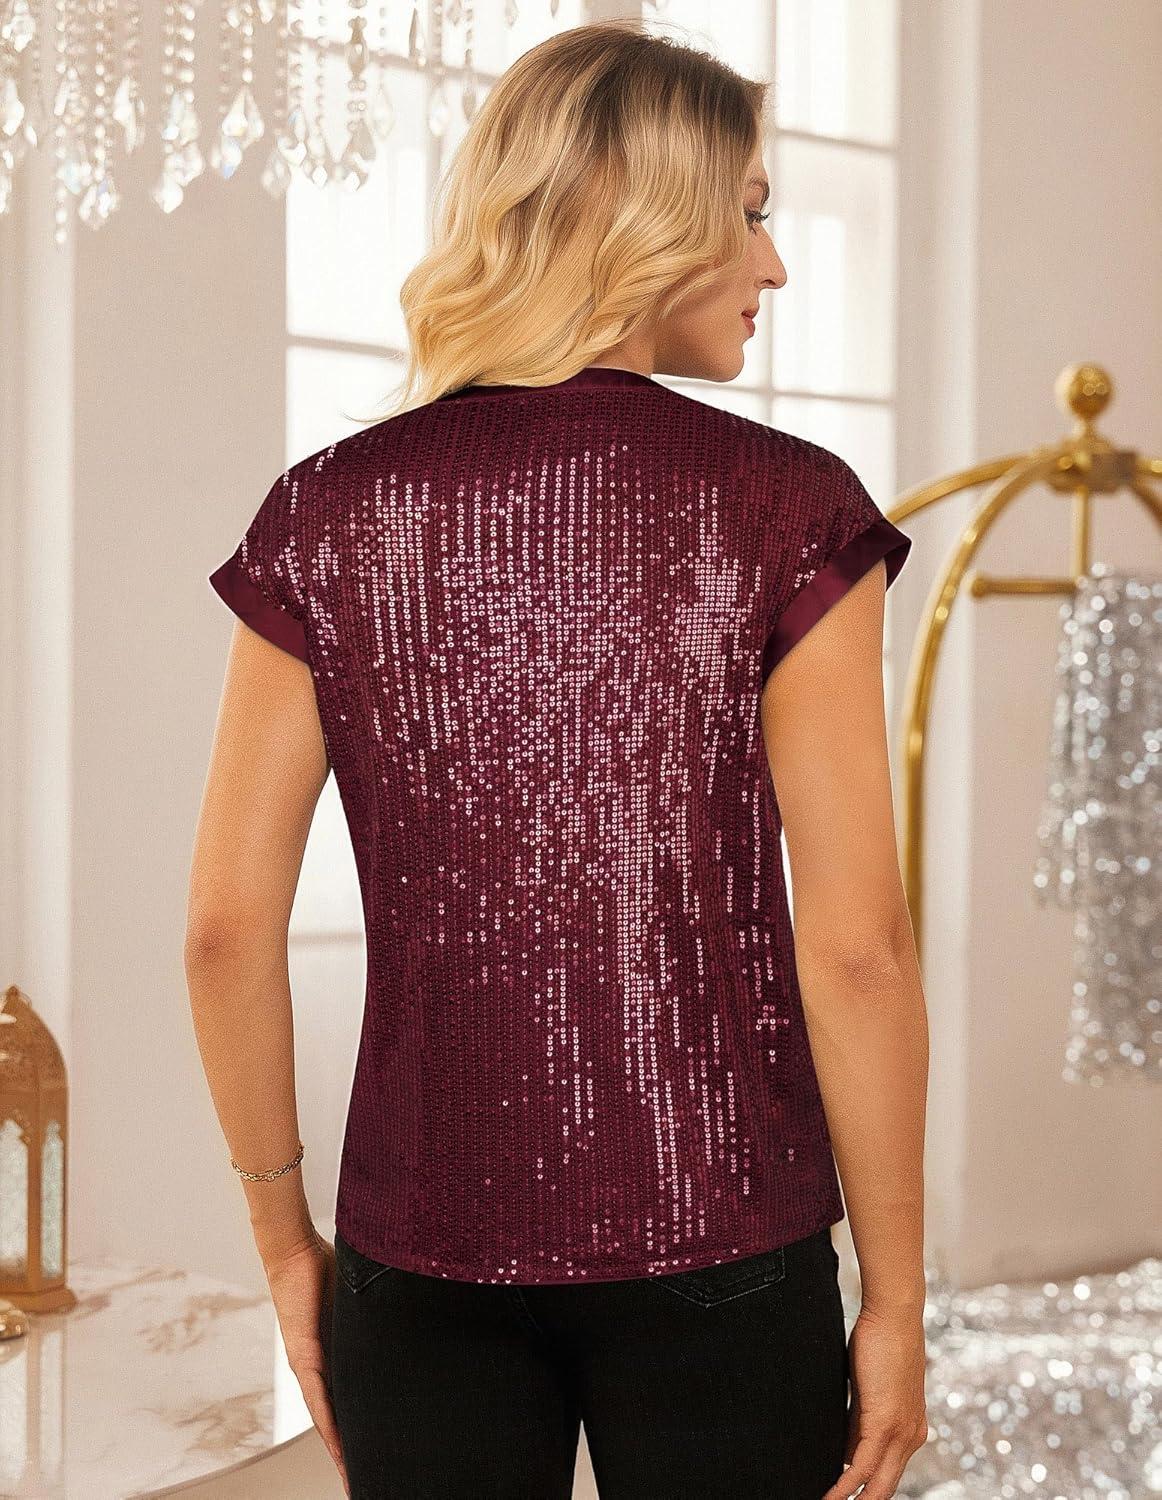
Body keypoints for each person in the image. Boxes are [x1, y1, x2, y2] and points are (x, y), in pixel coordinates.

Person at [185, 18, 929, 1500]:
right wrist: (899, 1300)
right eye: (750, 212)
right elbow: (857, 948)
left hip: (415, 1258)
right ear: (655, 223)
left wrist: (283, 1244)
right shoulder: (786, 507)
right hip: (725, 1245)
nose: (775, 262)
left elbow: (219, 933)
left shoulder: (327, 512)